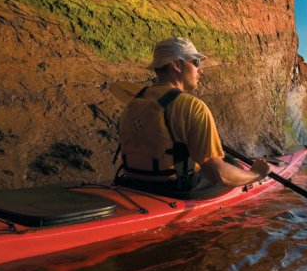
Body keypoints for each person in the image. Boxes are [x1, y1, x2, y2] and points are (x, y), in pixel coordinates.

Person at [115, 37, 271, 197]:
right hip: (175, 189)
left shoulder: (135, 102)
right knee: (229, 164)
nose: (201, 69)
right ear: (176, 65)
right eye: (196, 62)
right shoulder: (193, 107)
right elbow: (218, 174)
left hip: (134, 181)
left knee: (228, 161)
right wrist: (256, 174)